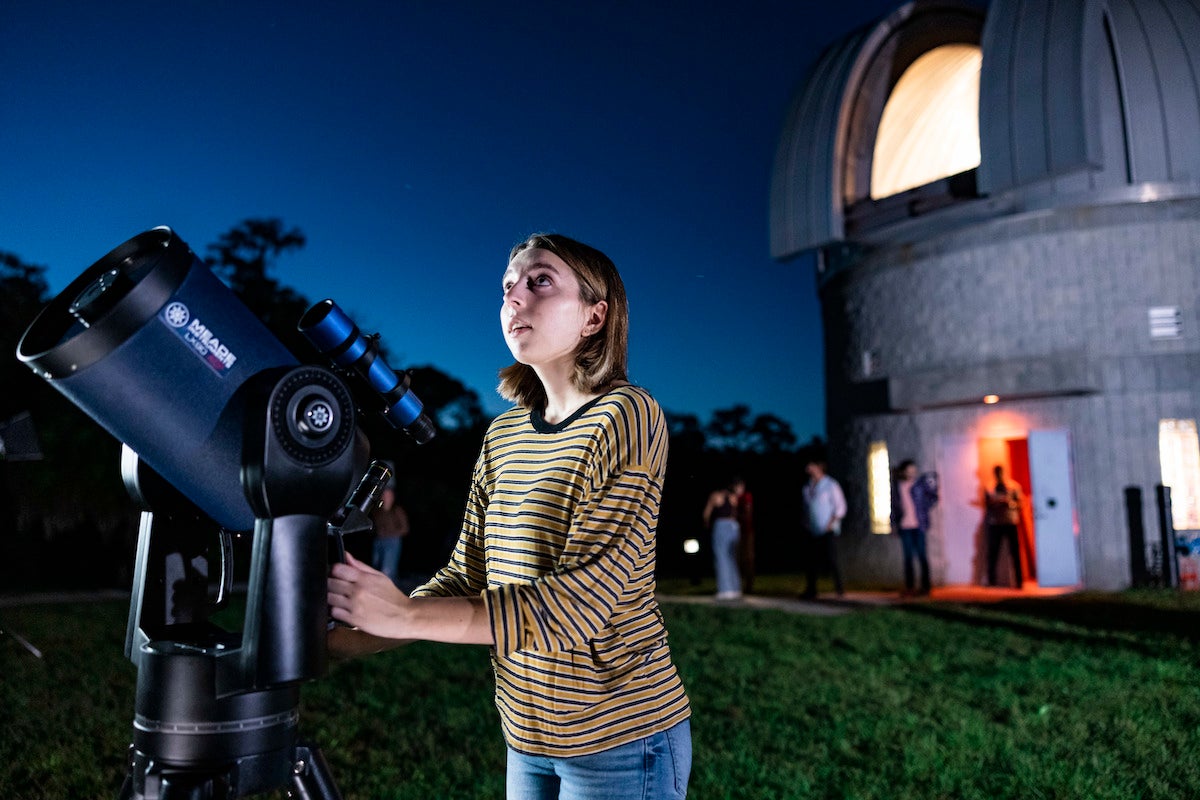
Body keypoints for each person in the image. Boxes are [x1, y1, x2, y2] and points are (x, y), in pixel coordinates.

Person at [327, 233, 692, 799]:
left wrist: (405, 617)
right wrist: (350, 638)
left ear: (595, 316)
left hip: (621, 738)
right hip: (526, 736)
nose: (514, 298)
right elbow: (469, 573)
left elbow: (582, 603)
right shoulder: (504, 435)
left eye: (539, 280)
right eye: (507, 287)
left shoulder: (627, 415)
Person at [801, 458, 846, 598]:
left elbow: (840, 507)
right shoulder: (807, 487)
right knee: (811, 560)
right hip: (811, 529)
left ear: (818, 467)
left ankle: (839, 588)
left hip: (828, 529)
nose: (808, 467)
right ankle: (811, 589)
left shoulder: (830, 485)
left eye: (811, 464)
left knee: (831, 558)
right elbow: (806, 508)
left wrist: (830, 523)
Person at [891, 460, 937, 596]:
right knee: (908, 557)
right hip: (905, 526)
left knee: (922, 555)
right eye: (909, 470)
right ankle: (910, 587)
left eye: (914, 470)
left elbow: (933, 497)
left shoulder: (920, 485)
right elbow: (894, 507)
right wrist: (893, 524)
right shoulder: (897, 486)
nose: (912, 473)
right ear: (904, 471)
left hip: (919, 525)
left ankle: (925, 587)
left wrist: (924, 508)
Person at [984, 464, 1024, 588]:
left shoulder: (1013, 486)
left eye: (1000, 472)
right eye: (996, 473)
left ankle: (1019, 581)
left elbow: (1020, 504)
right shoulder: (989, 487)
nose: (999, 475)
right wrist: (995, 502)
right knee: (993, 552)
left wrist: (1009, 503)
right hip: (995, 522)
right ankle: (992, 581)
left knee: (1015, 552)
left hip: (1010, 521)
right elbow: (986, 504)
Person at [703, 479, 742, 600]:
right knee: (732, 558)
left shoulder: (716, 496)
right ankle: (735, 588)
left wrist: (707, 524)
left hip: (721, 525)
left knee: (721, 557)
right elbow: (735, 512)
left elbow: (706, 513)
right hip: (734, 526)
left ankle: (725, 590)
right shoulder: (733, 497)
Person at [370, 475, 409, 585]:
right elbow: (373, 526)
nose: (386, 496)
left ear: (392, 496)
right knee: (376, 567)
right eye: (384, 494)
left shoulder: (397, 510)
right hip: (378, 541)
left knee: (387, 570)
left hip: (392, 542)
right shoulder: (378, 511)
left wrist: (389, 533)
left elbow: (405, 529)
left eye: (388, 494)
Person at [734, 478, 756, 594]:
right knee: (738, 560)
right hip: (736, 533)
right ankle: (738, 585)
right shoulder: (734, 497)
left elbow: (748, 512)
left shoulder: (746, 497)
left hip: (746, 532)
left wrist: (737, 516)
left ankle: (749, 586)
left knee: (748, 559)